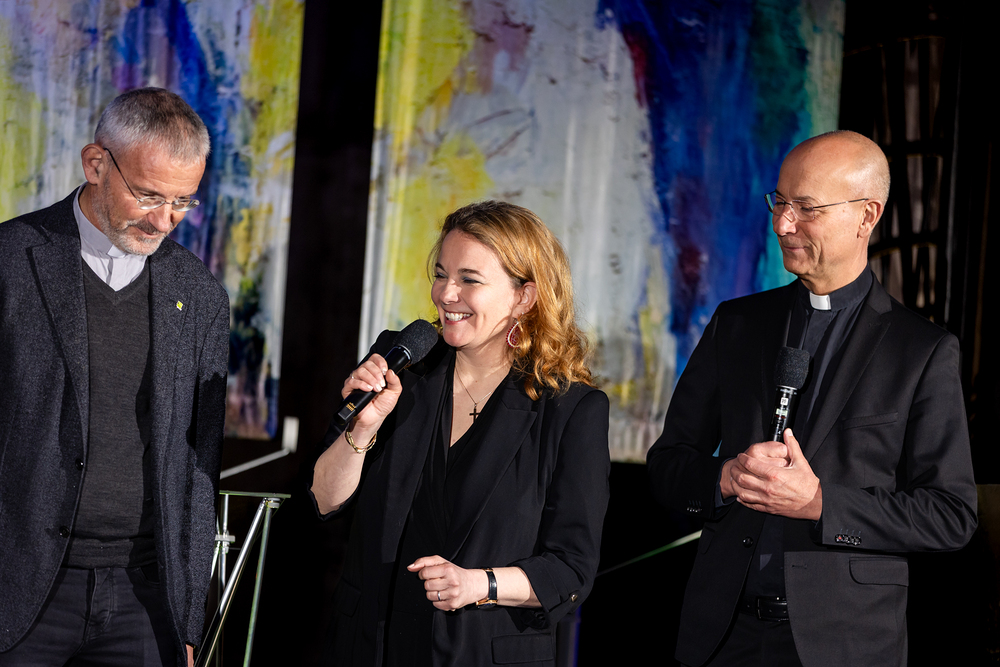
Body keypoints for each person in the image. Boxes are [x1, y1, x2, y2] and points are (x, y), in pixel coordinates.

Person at [646, 130, 977, 667]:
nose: (783, 224)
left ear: (866, 216)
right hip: (720, 636)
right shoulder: (737, 324)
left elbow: (950, 516)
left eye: (806, 207)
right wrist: (726, 477)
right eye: (779, 202)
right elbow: (668, 465)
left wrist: (821, 503)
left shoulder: (922, 351)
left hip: (842, 644)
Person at [311, 200, 610, 666]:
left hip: (483, 652)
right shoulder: (401, 364)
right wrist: (362, 429)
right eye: (441, 274)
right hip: (371, 645)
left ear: (524, 297)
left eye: (469, 279)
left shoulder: (570, 409)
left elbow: (571, 570)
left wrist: (479, 584)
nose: (446, 294)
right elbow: (324, 500)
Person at [0, 88, 229, 666]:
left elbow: (197, 471)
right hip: (16, 589)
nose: (164, 220)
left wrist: (188, 616)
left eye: (183, 201)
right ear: (96, 164)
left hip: (143, 599)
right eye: (148, 195)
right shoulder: (9, 261)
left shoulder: (200, 295)